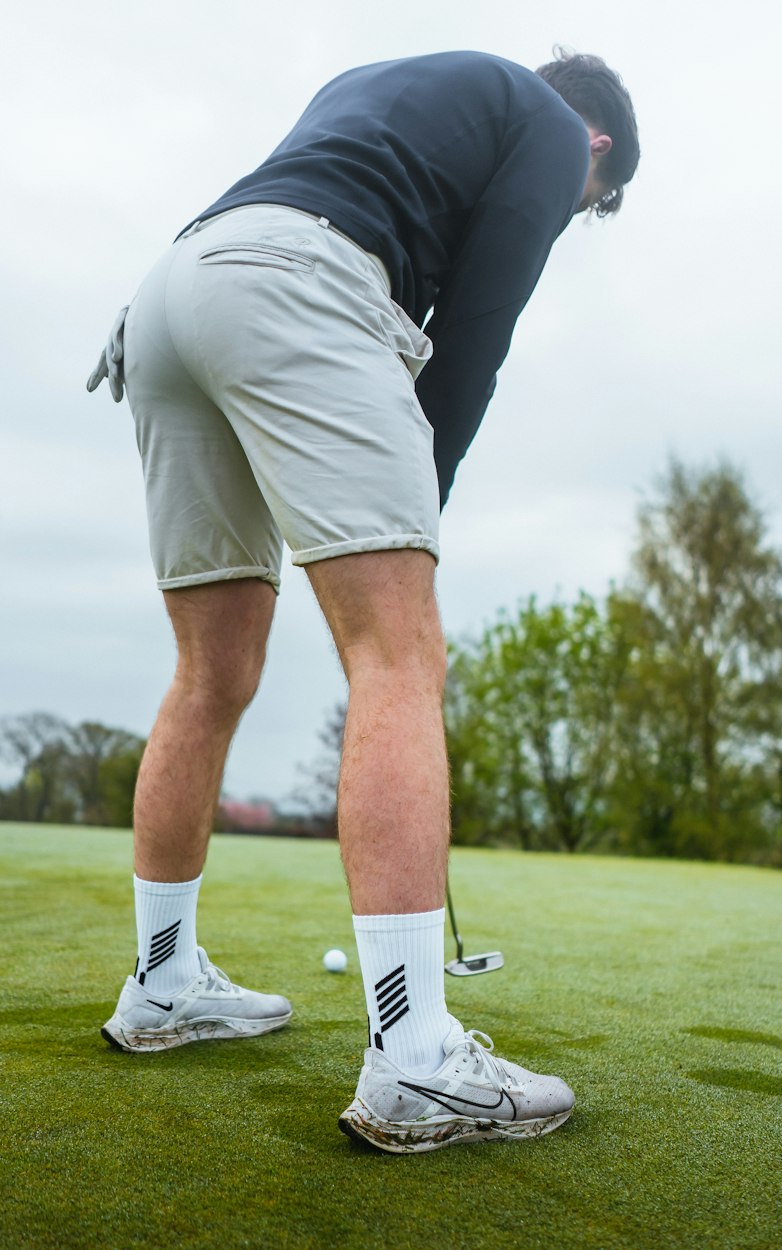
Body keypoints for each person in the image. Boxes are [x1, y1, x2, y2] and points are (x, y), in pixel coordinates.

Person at [86, 47, 639, 1154]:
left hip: (167, 300)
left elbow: (289, 196)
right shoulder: (545, 126)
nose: (571, 218)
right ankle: (416, 1058)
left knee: (212, 669)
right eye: (592, 208)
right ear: (598, 151)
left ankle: (160, 984)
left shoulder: (403, 89)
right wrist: (410, 526)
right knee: (397, 650)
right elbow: (474, 340)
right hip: (296, 288)